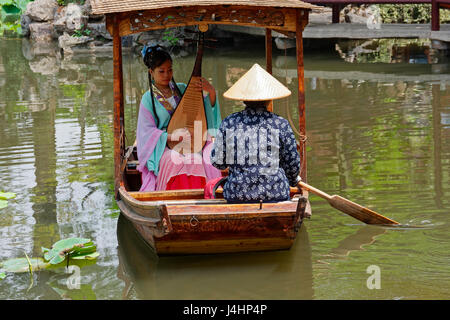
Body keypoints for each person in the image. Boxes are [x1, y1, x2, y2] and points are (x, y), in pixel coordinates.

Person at [137, 45, 222, 191]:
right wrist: (171, 137)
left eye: (170, 70)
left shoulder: (182, 89)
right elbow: (146, 132)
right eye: (161, 71)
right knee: (173, 160)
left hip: (191, 139)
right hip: (163, 146)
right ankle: (172, 198)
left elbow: (203, 110)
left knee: (198, 158)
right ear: (151, 72)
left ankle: (202, 196)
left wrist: (211, 91)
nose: (166, 75)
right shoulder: (147, 99)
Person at [210, 63, 300, 203]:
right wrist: (293, 181)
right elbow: (292, 166)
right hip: (275, 194)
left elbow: (218, 163)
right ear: (269, 98)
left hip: (237, 194)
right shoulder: (280, 124)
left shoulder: (229, 123)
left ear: (243, 99)